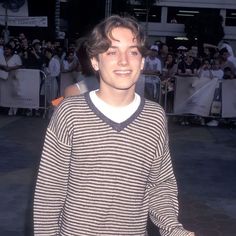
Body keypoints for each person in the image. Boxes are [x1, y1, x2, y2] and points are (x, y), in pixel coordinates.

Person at [34, 15, 195, 236]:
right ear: (95, 61)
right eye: (111, 51)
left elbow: (160, 185)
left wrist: (174, 230)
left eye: (133, 51)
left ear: (142, 61)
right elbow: (49, 190)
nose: (123, 60)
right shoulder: (70, 113)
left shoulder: (154, 117)